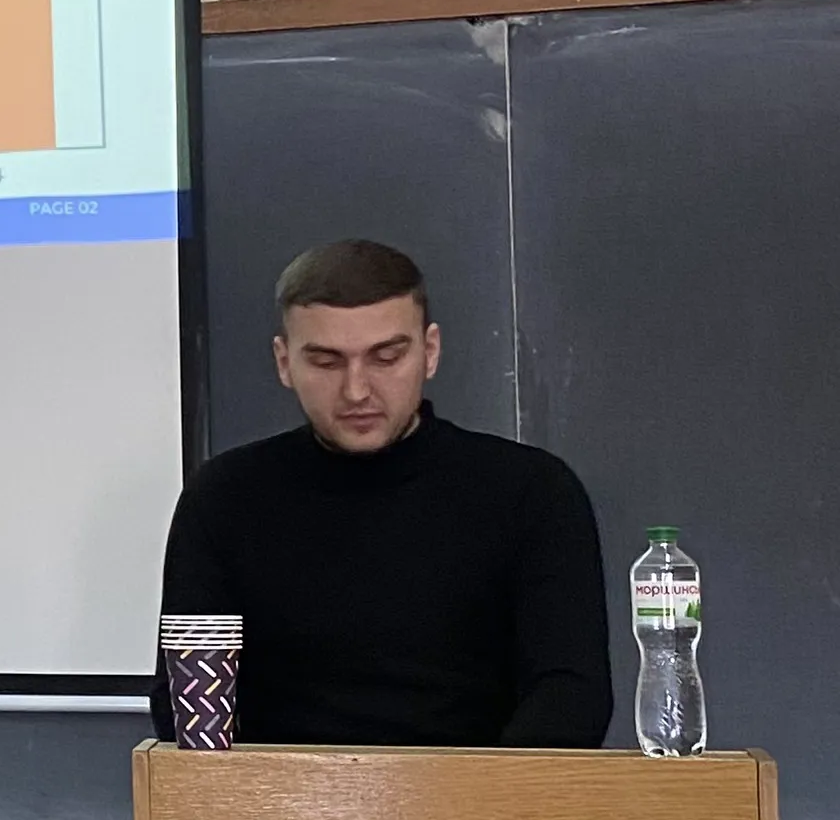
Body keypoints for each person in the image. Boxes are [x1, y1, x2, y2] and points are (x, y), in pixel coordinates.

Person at [153, 238, 611, 746]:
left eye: (386, 358)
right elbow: (185, 704)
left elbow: (570, 697)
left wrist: (478, 796)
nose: (357, 390)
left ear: (429, 352)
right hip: (277, 794)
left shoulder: (532, 493)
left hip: (480, 793)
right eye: (326, 362)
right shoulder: (225, 498)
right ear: (284, 363)